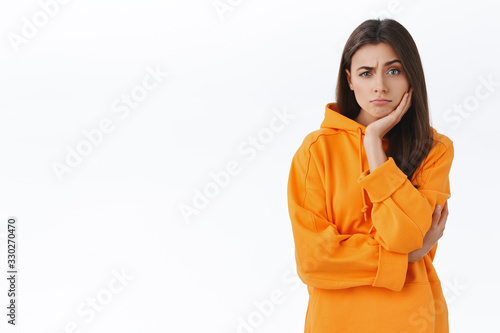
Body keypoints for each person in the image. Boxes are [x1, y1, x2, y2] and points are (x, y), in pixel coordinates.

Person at [287, 18, 454, 332]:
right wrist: (401, 259)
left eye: (394, 70)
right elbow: (313, 259)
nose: (380, 86)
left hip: (412, 320)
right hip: (335, 322)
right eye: (366, 73)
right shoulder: (316, 150)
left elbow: (407, 237)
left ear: (411, 77)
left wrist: (374, 145)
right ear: (350, 80)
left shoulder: (435, 150)